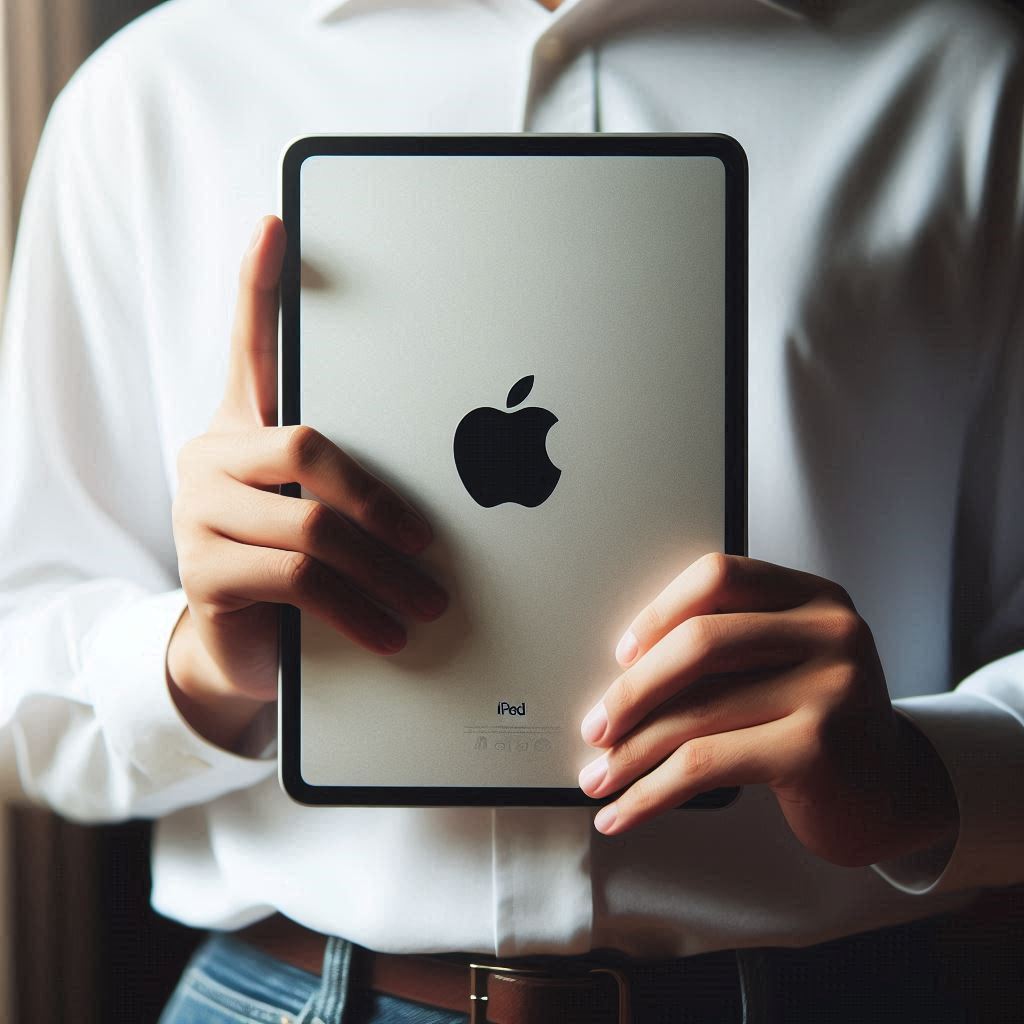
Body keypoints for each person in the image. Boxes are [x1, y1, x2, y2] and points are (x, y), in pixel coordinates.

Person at [1, 0, 1022, 1021]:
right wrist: (196, 664)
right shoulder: (159, 88)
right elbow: (16, 666)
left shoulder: (965, 86)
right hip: (293, 997)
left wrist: (920, 779)